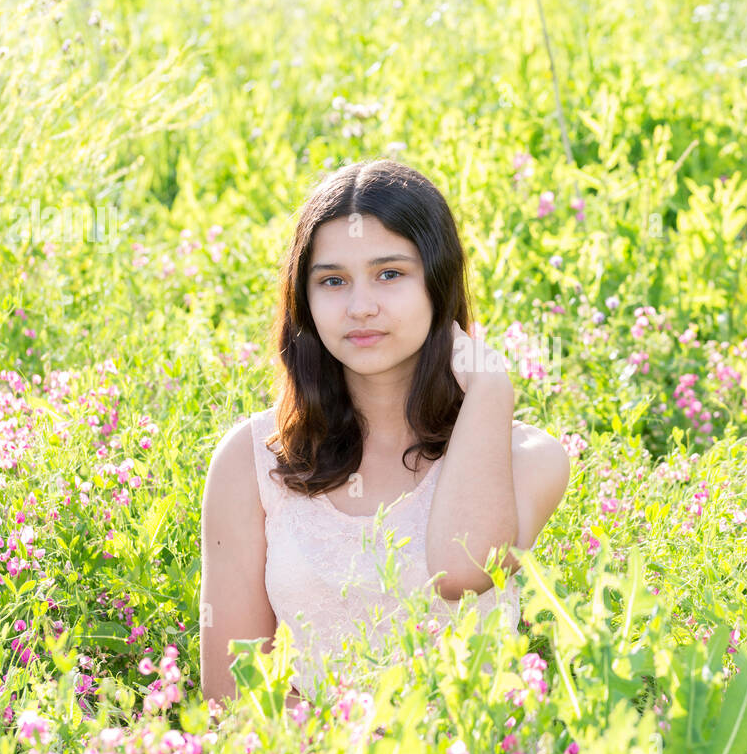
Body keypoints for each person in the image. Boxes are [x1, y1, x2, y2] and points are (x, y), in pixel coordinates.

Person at [199, 159, 571, 711]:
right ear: (305, 300)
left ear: (438, 286)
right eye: (332, 281)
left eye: (390, 273)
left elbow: (461, 572)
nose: (360, 306)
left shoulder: (528, 456)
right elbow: (233, 694)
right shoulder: (251, 461)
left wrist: (490, 390)